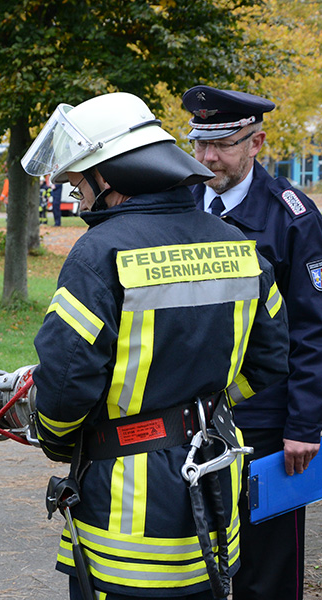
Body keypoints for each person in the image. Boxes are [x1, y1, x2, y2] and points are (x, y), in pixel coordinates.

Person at [20, 92, 290, 599]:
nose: (77, 200)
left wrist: (57, 439)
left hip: (124, 522)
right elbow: (272, 357)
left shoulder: (99, 252)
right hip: (213, 489)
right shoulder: (236, 243)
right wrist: (204, 406)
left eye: (80, 184)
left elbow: (66, 379)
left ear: (113, 178)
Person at [182, 84, 322, 600]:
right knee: (195, 562)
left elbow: (313, 329)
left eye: (222, 144)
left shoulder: (292, 217)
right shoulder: (182, 204)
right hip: (191, 417)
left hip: (264, 423)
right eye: (199, 144)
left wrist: (305, 423)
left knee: (267, 572)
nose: (207, 157)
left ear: (257, 142)